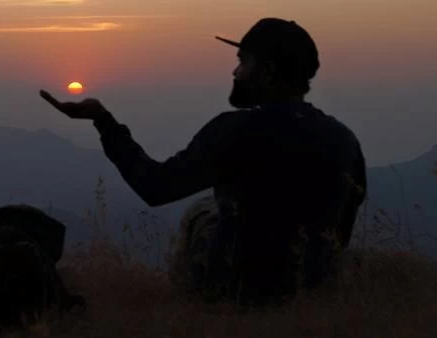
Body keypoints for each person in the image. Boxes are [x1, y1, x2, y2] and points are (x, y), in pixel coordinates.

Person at [40, 17, 367, 306]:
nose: (235, 71)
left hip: (237, 295)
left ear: (266, 72)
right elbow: (344, 224)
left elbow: (155, 187)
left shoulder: (235, 130)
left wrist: (103, 120)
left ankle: (191, 305)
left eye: (243, 62)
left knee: (203, 210)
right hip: (314, 294)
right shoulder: (344, 140)